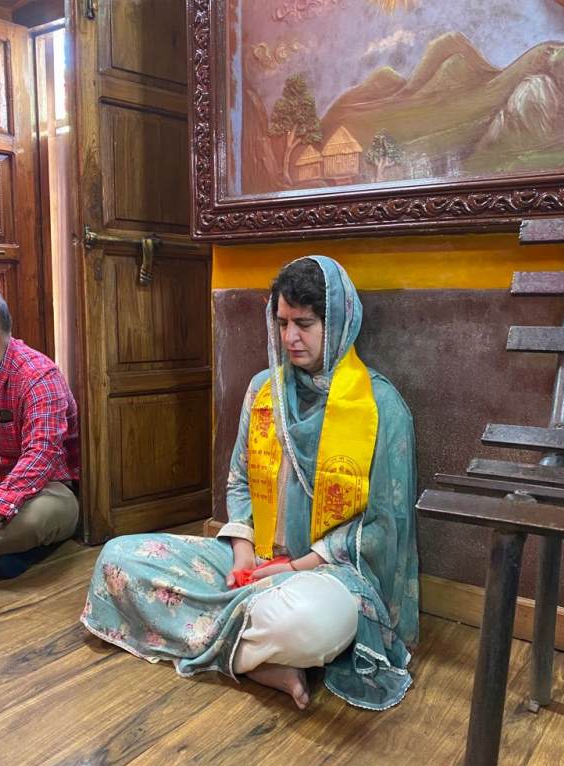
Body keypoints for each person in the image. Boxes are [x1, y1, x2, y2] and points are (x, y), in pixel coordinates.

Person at [81, 256, 418, 710]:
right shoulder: (265, 390)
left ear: (337, 322)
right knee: (116, 557)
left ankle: (230, 641)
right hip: (251, 558)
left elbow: (384, 523)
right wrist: (242, 553)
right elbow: (239, 481)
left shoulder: (380, 406)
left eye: (304, 323)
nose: (289, 338)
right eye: (281, 323)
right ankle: (254, 660)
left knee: (307, 623)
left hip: (326, 576)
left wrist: (297, 568)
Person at [0, 285, 79, 578]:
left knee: (35, 520)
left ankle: (4, 543)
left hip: (44, 491)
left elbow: (40, 457)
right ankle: (5, 549)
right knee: (6, 540)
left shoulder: (38, 377)